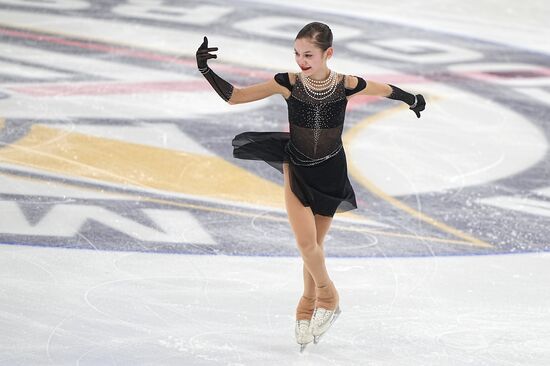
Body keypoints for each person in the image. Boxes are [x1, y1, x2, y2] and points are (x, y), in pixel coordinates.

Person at [196, 22, 425, 352]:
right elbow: (235, 97)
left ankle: (306, 306)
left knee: (314, 245)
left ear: (327, 53)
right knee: (306, 244)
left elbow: (385, 89)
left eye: (308, 54)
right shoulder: (286, 83)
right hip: (297, 169)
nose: (301, 61)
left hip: (331, 170)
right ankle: (329, 297)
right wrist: (205, 69)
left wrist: (413, 99)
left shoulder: (347, 84)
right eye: (296, 54)